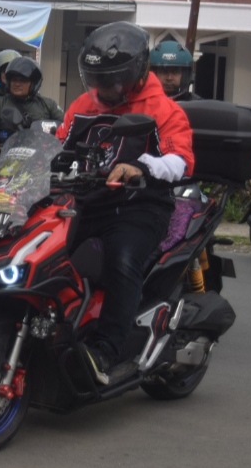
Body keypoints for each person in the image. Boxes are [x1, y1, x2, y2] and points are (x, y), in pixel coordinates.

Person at [56, 22, 194, 384]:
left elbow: (180, 161)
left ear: (136, 73)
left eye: (113, 81)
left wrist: (140, 166)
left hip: (139, 206)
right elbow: (58, 145)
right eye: (97, 79)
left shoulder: (162, 109)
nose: (104, 89)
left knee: (122, 259)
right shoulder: (84, 105)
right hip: (87, 201)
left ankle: (106, 349)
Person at [0, 56, 63, 195]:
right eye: (14, 80)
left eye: (23, 80)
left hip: (40, 152)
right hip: (3, 150)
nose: (17, 83)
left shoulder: (47, 104)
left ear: (33, 83)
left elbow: (66, 124)